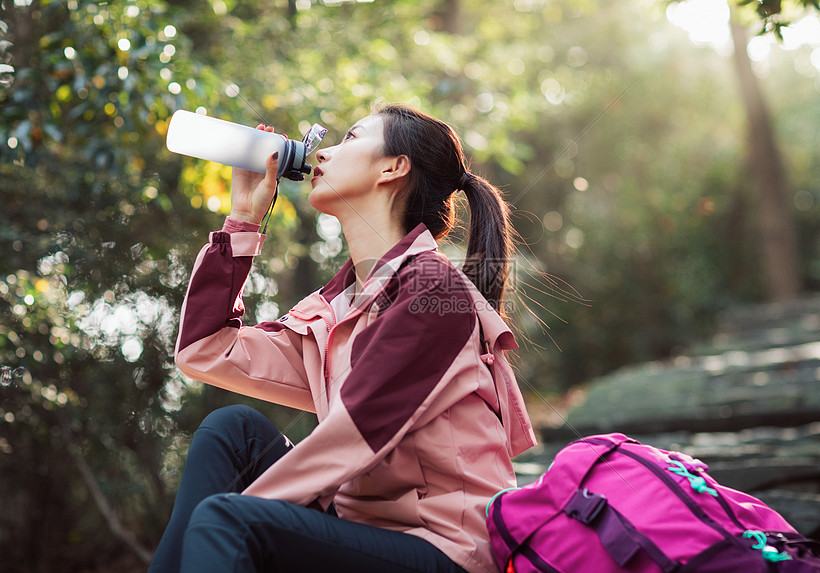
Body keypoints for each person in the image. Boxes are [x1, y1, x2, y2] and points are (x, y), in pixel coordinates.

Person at [148, 104, 536, 573]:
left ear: (393, 168)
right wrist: (243, 222)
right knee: (232, 431)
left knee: (226, 519)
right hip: (361, 533)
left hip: (447, 550)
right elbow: (204, 351)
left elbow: (357, 432)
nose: (324, 153)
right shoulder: (336, 313)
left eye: (350, 138)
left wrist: (227, 522)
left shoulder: (435, 289)